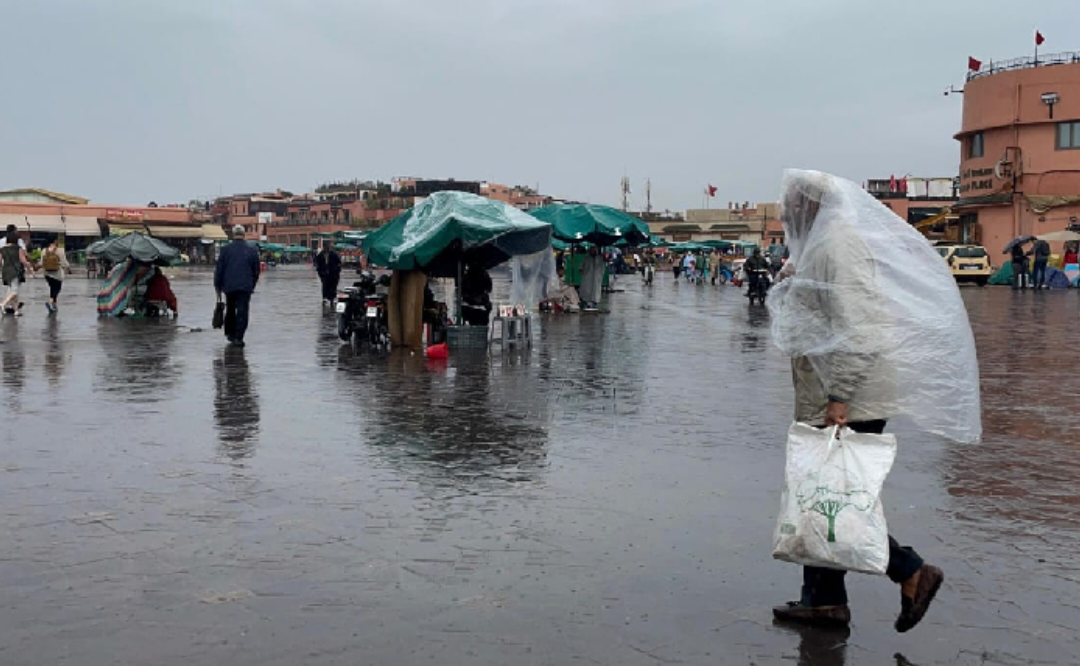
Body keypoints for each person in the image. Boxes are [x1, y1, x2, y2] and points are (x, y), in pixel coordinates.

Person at [768, 170, 981, 633]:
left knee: (836, 503)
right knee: (823, 493)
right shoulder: (820, 244)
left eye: (790, 204)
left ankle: (911, 571)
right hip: (834, 392)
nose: (784, 212)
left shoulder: (837, 244)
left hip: (849, 395)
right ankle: (823, 600)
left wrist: (839, 399)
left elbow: (859, 326)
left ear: (810, 204)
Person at [214, 225, 261, 347]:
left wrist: (217, 286)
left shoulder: (225, 250)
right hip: (245, 286)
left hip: (229, 286)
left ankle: (230, 334)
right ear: (244, 235)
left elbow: (219, 269)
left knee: (230, 309)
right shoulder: (252, 250)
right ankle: (239, 337)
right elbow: (256, 271)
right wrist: (252, 284)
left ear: (233, 235)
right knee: (242, 311)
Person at [1, 229, 35, 315]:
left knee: (11, 289)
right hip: (16, 271)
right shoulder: (18, 248)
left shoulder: (2, 249)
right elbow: (23, 260)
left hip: (6, 270)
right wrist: (30, 270)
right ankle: (3, 304)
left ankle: (16, 310)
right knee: (14, 291)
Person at [40, 237, 71, 313]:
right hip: (57, 274)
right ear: (54, 241)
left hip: (47, 274)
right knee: (57, 289)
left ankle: (54, 305)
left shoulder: (44, 250)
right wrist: (68, 268)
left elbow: (41, 262)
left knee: (52, 288)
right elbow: (64, 263)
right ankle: (51, 303)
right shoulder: (59, 251)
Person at [461, 259, 493, 325]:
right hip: (474, 306)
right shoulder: (468, 276)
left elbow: (489, 289)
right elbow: (489, 289)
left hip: (478, 305)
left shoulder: (468, 275)